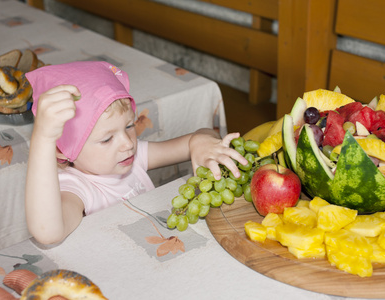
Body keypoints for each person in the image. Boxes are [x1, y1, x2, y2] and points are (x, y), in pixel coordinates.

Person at [25, 61, 247, 245]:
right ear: (62, 151)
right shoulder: (78, 188)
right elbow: (48, 232)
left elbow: (195, 139)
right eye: (107, 138)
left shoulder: (133, 156)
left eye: (129, 126)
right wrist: (43, 140)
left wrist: (201, 142)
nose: (127, 143)